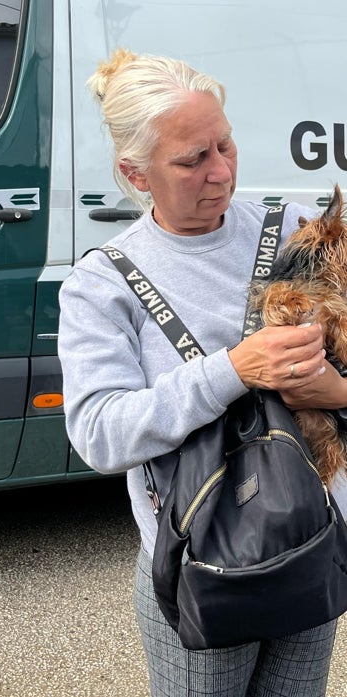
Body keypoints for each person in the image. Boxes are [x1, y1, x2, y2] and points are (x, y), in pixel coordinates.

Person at [57, 48, 347, 696]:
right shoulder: (102, 282)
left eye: (225, 143)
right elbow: (100, 432)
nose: (220, 171)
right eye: (192, 159)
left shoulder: (299, 228)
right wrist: (233, 369)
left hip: (311, 535)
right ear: (135, 172)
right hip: (201, 562)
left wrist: (336, 390)